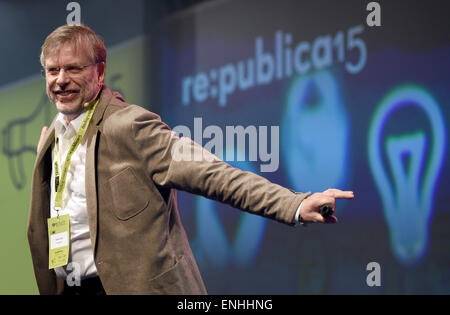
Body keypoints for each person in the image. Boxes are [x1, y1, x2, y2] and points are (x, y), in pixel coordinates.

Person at [27, 24, 354, 295]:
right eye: (52, 70)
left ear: (99, 72)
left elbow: (216, 174)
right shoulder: (53, 138)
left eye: (73, 68)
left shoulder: (131, 126)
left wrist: (294, 204)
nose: (60, 80)